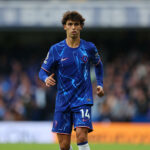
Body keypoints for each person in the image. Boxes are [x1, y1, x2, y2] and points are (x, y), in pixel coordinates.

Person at [39, 11, 104, 150]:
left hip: (83, 99)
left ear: (81, 27)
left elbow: (99, 65)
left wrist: (100, 84)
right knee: (64, 146)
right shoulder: (56, 49)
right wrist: (45, 79)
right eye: (70, 24)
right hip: (63, 100)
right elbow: (42, 71)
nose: (73, 27)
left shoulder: (89, 48)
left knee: (81, 136)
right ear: (65, 27)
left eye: (76, 24)